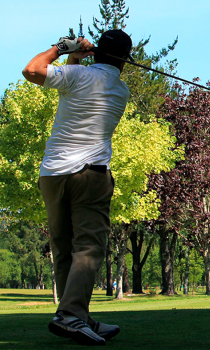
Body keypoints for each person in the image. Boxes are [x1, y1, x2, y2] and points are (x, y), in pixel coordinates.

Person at [22, 29, 133, 346]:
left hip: (52, 175)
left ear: (96, 52)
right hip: (90, 176)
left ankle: (76, 316)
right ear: (125, 59)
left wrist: (62, 49)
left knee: (64, 249)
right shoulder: (119, 90)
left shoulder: (76, 77)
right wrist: (75, 56)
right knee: (88, 247)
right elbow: (75, 76)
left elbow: (33, 70)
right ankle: (71, 316)